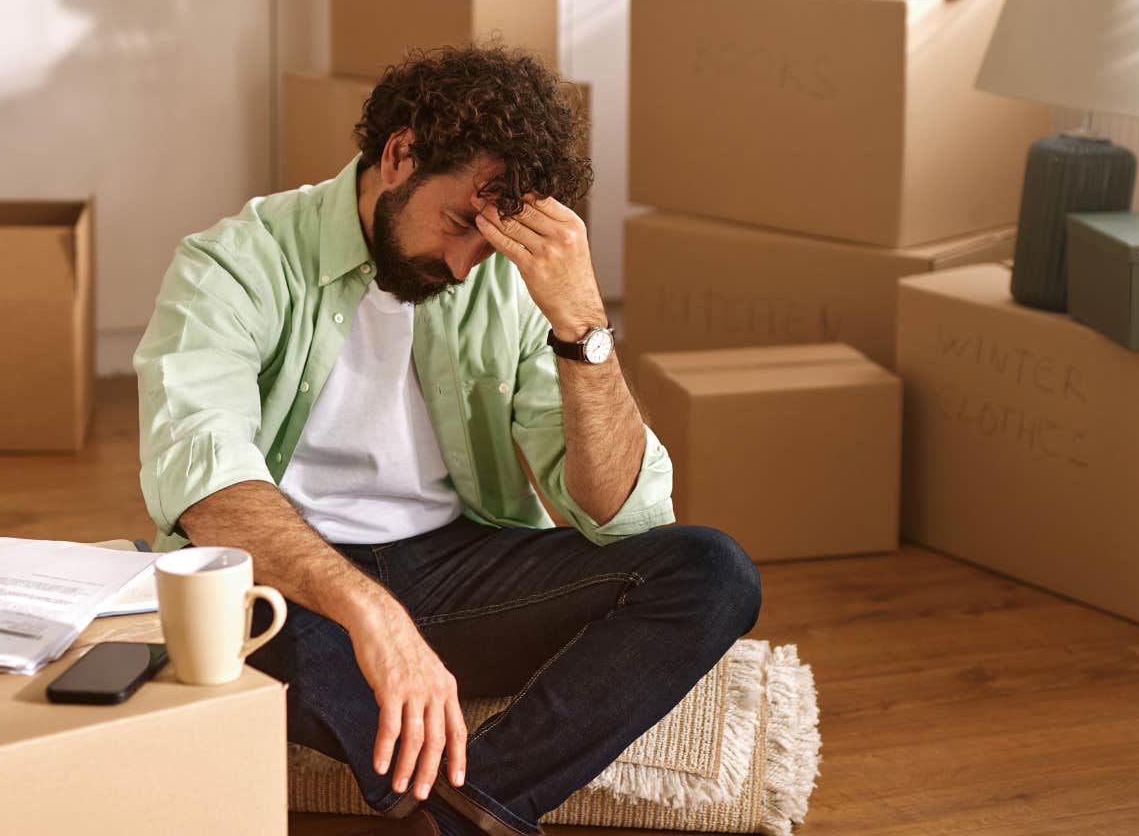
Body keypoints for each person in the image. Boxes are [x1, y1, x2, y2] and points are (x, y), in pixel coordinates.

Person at [135, 45, 762, 836]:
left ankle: (464, 803)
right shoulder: (234, 263)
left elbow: (622, 516)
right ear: (399, 155)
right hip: (293, 583)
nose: (468, 265)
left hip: (457, 568)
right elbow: (211, 494)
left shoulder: (507, 276)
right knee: (227, 623)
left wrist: (582, 324)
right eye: (462, 222)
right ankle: (479, 799)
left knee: (712, 571)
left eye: (490, 238)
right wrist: (373, 615)